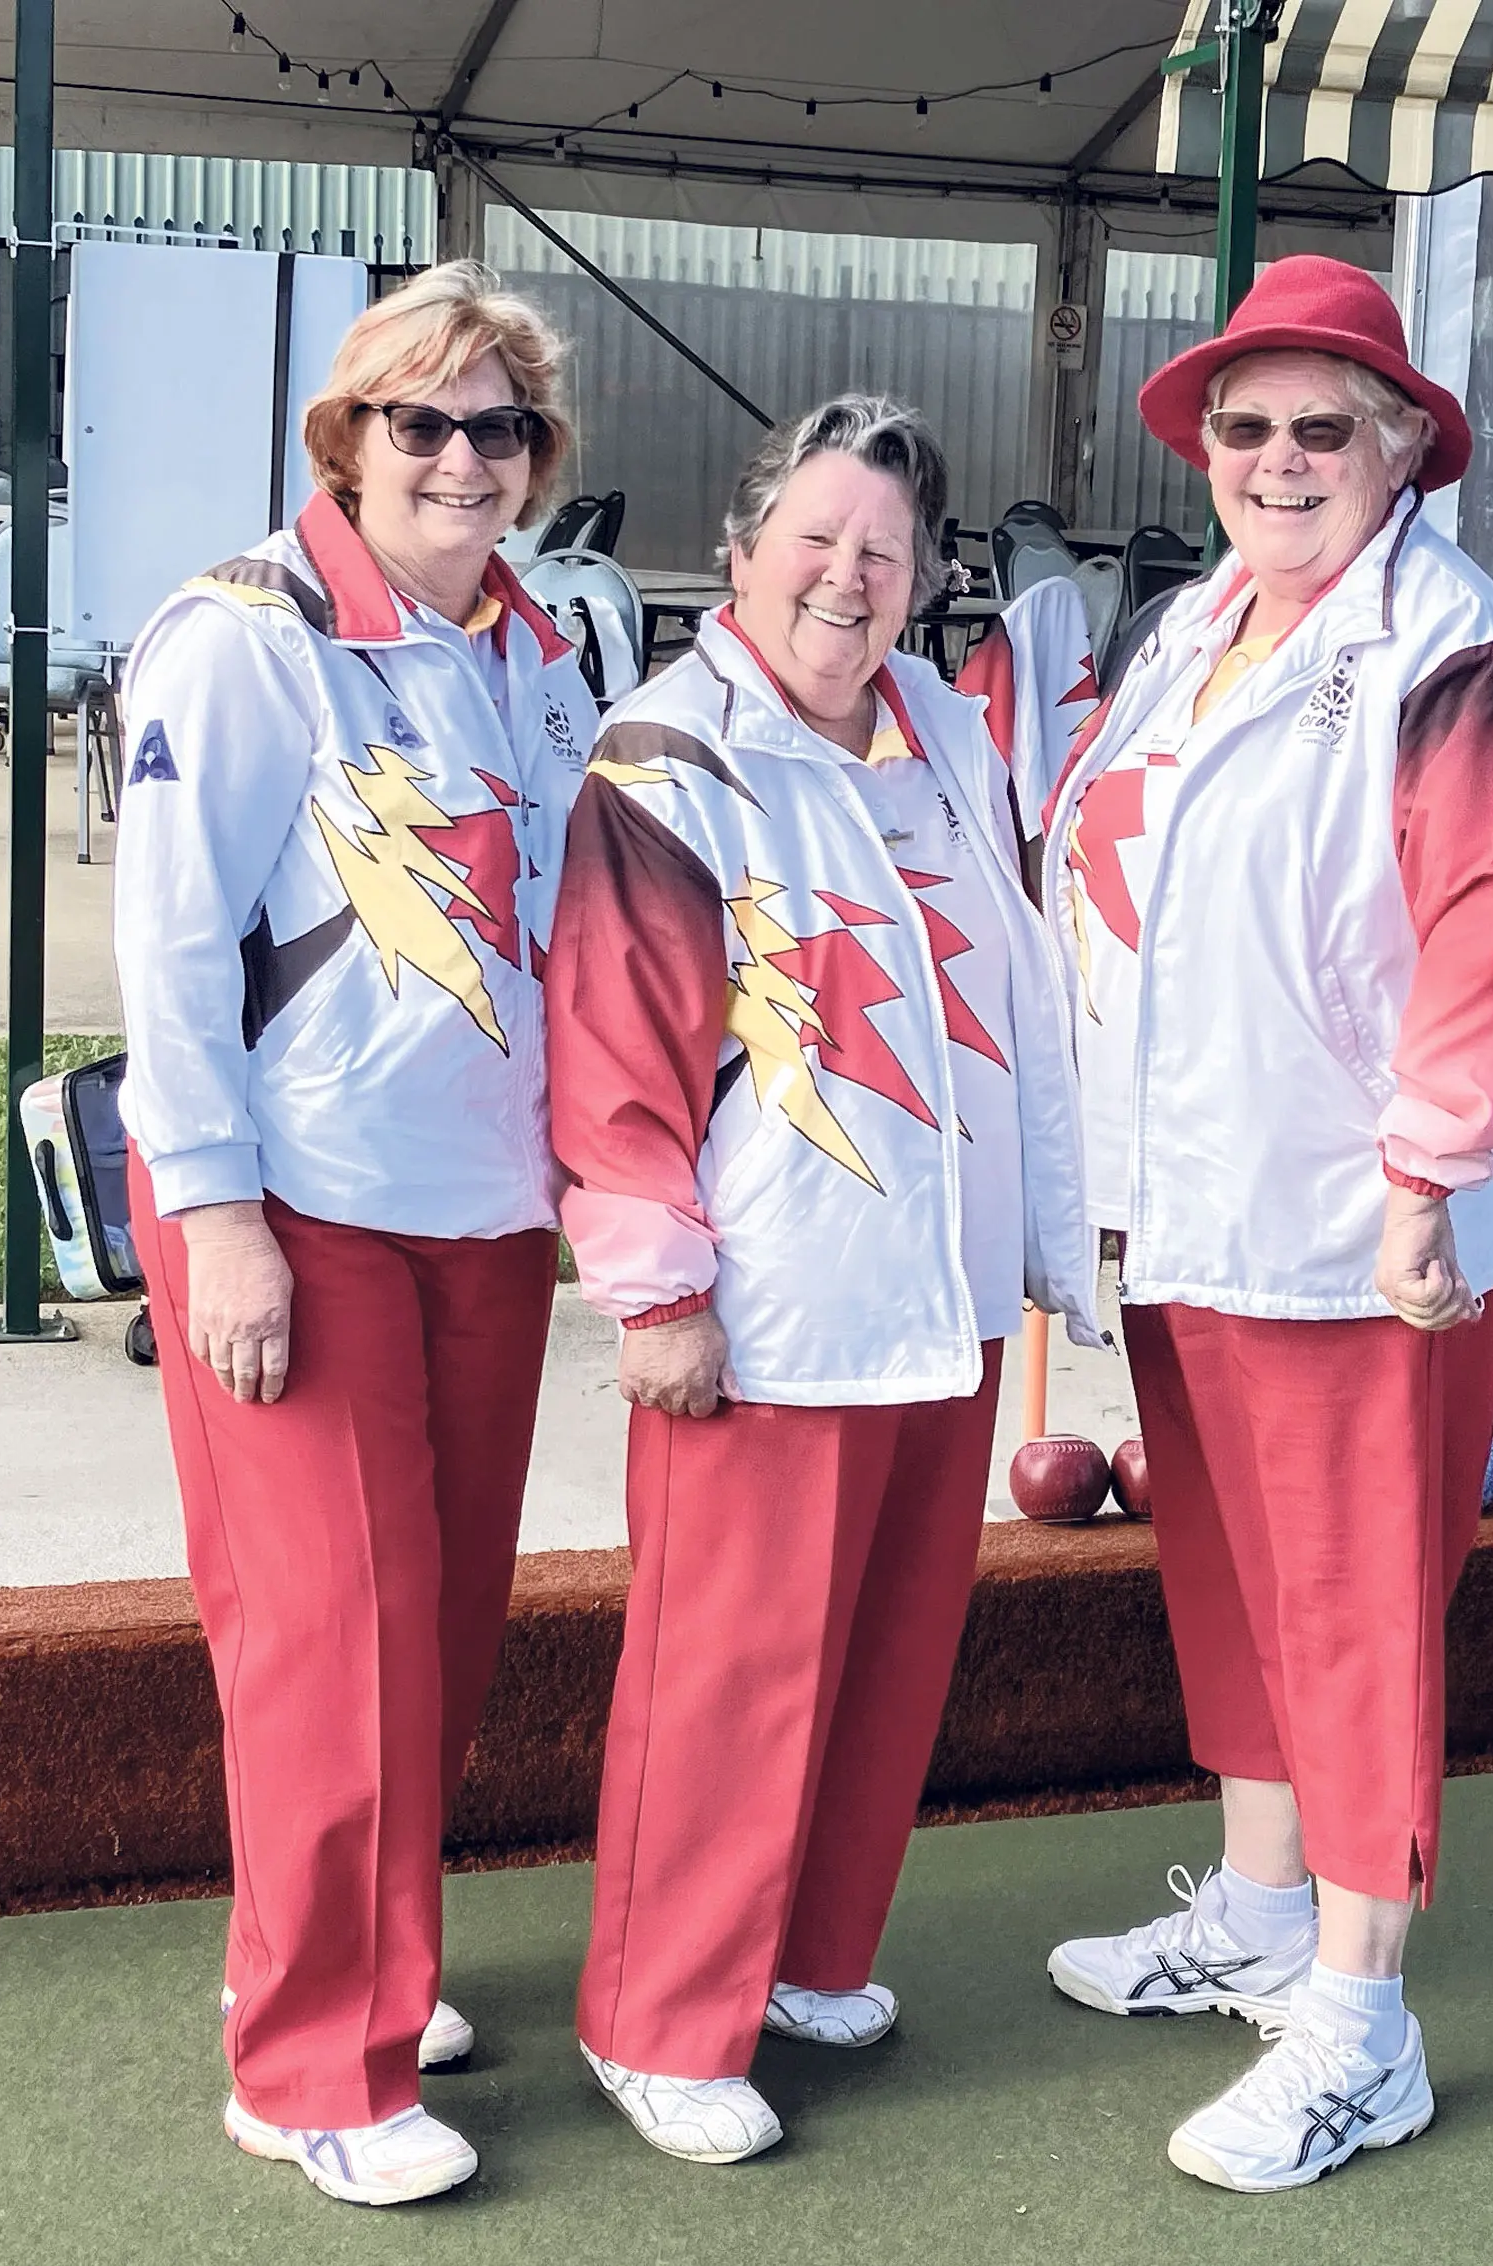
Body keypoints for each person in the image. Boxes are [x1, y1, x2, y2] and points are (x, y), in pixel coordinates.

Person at [1036, 256, 1493, 2193]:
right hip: (1183, 1199)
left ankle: (1363, 2018)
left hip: (1356, 1226)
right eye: (1243, 427)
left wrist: (1433, 1167)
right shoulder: (1197, 625)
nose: (1275, 461)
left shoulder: (1447, 647)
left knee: (1352, 1612)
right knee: (1233, 1582)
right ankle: (1264, 1911)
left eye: (1319, 428)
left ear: (1399, 449)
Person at [546, 394, 1100, 2167]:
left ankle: (803, 1953)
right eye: (818, 540)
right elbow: (614, 1059)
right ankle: (656, 2011)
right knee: (728, 1674)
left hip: (929, 1296)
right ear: (741, 550)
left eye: (886, 550)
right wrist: (654, 1288)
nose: (849, 579)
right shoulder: (670, 754)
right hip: (768, 1302)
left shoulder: (941, 729)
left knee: (880, 1656)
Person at [111, 261, 597, 2207]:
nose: (459, 459)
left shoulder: (544, 641)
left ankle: (375, 1960)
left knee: (439, 1629)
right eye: (420, 422)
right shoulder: (242, 638)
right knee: (334, 1635)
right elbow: (163, 953)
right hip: (290, 1202)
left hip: (479, 1201)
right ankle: (312, 2051)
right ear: (348, 436)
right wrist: (213, 1219)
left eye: (496, 428)